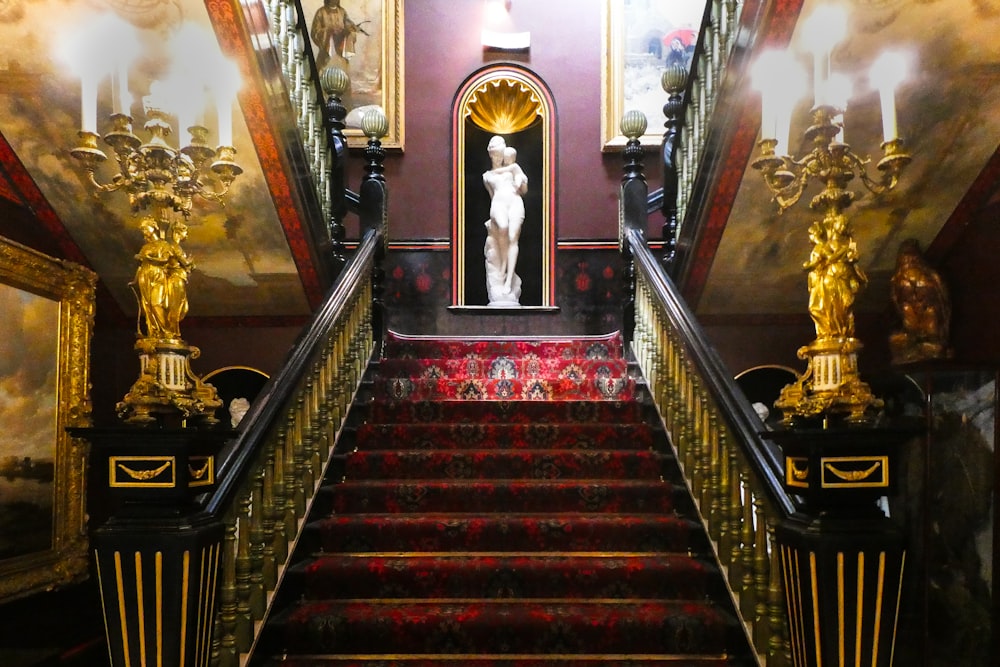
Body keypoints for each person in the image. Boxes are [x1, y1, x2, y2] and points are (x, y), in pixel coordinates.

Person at [889, 238, 952, 364]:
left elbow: (944, 301)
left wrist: (944, 323)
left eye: (911, 257)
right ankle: (915, 344)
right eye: (905, 257)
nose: (909, 260)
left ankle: (930, 344)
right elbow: (897, 303)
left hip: (930, 311)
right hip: (911, 315)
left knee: (931, 319)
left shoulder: (931, 276)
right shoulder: (896, 279)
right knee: (904, 327)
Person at [482, 136, 527, 304]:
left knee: (512, 238)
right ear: (490, 154)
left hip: (515, 202)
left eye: (500, 154)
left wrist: (521, 181)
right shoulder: (487, 176)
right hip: (498, 204)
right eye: (495, 154)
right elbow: (492, 195)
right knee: (502, 227)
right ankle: (501, 269)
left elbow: (524, 189)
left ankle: (508, 278)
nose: (498, 157)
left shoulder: (513, 168)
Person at [311, 0, 360, 72]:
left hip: (341, 54)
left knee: (343, 79)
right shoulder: (321, 12)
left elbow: (349, 26)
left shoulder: (342, 12)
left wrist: (350, 30)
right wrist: (328, 31)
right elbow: (315, 32)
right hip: (326, 56)